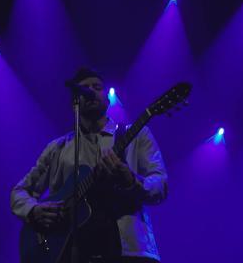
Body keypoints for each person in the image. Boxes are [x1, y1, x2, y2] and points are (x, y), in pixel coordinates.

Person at [11, 67, 168, 262]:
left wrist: (132, 181)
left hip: (128, 251)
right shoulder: (57, 148)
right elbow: (19, 191)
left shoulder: (135, 135)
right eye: (84, 88)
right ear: (74, 102)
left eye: (97, 87)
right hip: (70, 254)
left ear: (108, 98)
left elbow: (160, 184)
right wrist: (33, 211)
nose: (91, 91)